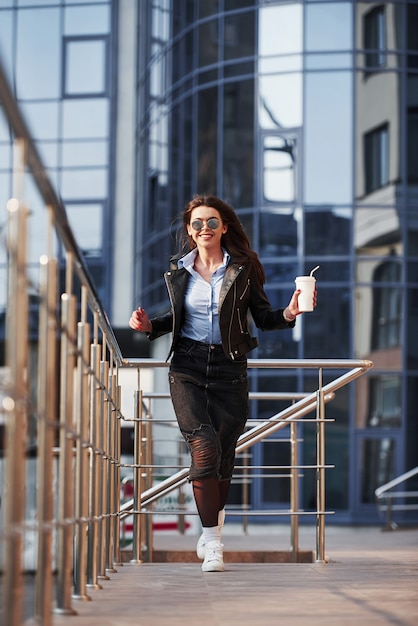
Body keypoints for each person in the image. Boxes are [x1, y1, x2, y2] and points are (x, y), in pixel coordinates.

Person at [129, 194, 316, 572]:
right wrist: (150, 326)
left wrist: (291, 311)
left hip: (231, 369)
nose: (204, 230)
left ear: (224, 227)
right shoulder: (178, 270)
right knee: (204, 445)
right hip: (187, 366)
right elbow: (175, 317)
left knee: (224, 458)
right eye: (197, 223)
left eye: (211, 222)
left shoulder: (244, 268)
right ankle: (213, 542)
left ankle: (209, 531)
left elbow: (263, 317)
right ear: (189, 230)